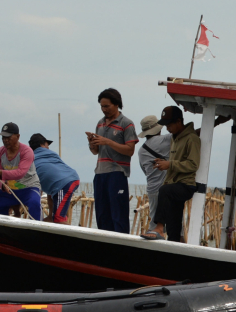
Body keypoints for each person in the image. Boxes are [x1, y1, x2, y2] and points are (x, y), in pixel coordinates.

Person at [142, 106, 200, 242]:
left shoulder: (191, 139)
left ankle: (159, 228)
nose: (167, 128)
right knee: (174, 226)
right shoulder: (175, 138)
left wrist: (170, 164)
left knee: (164, 191)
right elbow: (176, 161)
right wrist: (165, 162)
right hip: (175, 184)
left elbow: (193, 164)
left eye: (169, 124)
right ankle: (174, 251)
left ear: (178, 122)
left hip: (186, 185)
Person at [86, 88, 138, 233]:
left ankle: (121, 247)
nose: (104, 109)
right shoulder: (100, 124)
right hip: (100, 173)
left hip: (117, 173)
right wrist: (92, 142)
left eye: (107, 106)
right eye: (102, 106)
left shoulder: (126, 124)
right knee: (102, 215)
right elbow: (95, 151)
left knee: (118, 215)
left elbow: (130, 150)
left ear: (116, 104)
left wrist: (108, 142)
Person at [0, 123, 43, 220]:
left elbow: (20, 173)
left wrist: (1, 173)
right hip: (9, 190)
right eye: (3, 138)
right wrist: (2, 185)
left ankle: (37, 230)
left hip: (29, 188)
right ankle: (3, 226)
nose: (5, 140)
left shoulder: (27, 151)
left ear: (18, 137)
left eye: (8, 137)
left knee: (34, 203)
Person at [28, 134, 80, 224]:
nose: (48, 147)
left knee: (58, 218)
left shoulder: (31, 158)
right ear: (42, 144)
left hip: (64, 184)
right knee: (52, 212)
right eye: (47, 145)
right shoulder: (50, 154)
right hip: (67, 180)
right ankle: (49, 220)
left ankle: (66, 237)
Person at [137, 115, 172, 232]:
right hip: (166, 189)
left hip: (152, 189)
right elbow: (187, 135)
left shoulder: (141, 151)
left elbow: (145, 170)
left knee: (154, 224)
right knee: (175, 226)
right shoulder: (165, 140)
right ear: (159, 128)